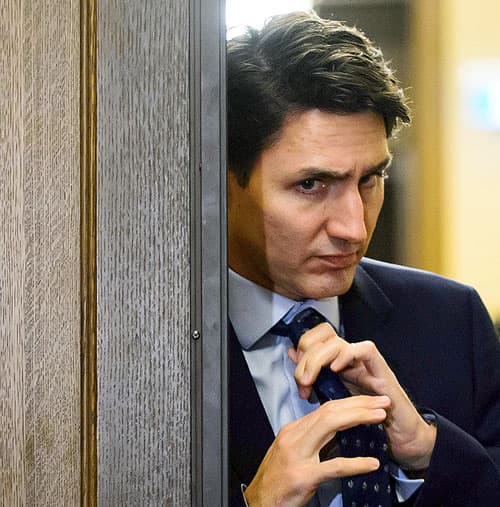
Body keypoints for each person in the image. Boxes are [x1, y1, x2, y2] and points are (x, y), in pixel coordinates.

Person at [227, 10, 500, 507]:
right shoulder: (136, 355)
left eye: (370, 179)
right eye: (311, 185)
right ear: (221, 184)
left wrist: (426, 450)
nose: (354, 228)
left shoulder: (452, 320)